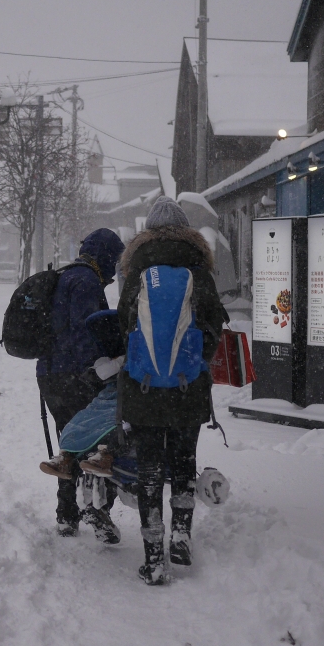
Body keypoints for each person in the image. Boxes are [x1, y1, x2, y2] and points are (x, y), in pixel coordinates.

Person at [117, 196, 228, 585]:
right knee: (182, 463)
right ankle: (181, 535)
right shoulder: (198, 268)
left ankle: (153, 558)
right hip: (187, 389)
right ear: (187, 230)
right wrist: (195, 364)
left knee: (149, 472)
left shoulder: (138, 270)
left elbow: (122, 325)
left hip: (143, 390)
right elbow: (215, 324)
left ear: (147, 231)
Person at [36, 228, 125, 540]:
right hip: (75, 375)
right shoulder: (86, 281)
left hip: (49, 375)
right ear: (105, 257)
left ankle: (66, 514)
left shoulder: (64, 275)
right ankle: (96, 512)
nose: (114, 269)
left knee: (70, 442)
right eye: (113, 260)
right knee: (98, 438)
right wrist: (103, 365)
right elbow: (86, 332)